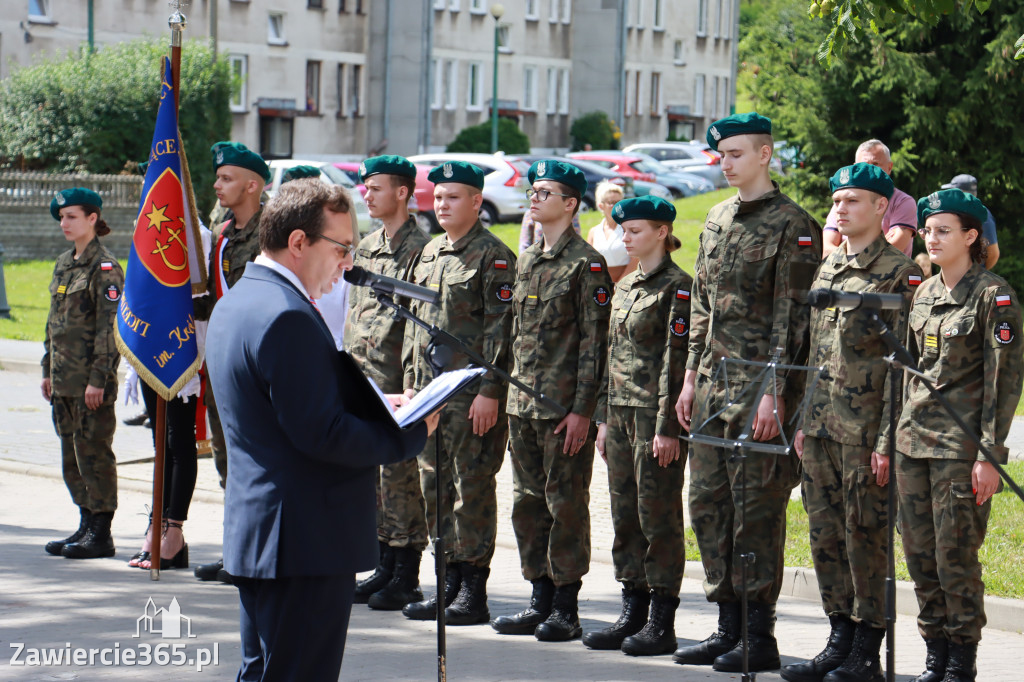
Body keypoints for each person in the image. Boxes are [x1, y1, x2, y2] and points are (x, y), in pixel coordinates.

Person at [206, 179, 438, 681]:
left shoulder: (242, 299)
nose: (347, 262)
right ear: (298, 243)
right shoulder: (287, 315)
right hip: (302, 543)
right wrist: (409, 432)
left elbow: (281, 407)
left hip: (266, 536)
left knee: (264, 672)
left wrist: (377, 402)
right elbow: (322, 434)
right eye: (341, 247)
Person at [674, 113, 822, 673]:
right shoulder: (714, 218)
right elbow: (702, 306)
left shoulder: (793, 224)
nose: (726, 163)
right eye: (722, 154)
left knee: (755, 510)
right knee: (708, 504)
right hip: (713, 386)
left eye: (737, 153)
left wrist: (775, 393)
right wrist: (690, 378)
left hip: (762, 389)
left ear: (764, 154)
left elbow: (793, 317)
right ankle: (725, 626)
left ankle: (759, 634)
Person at [781, 164, 922, 682]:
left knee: (866, 538)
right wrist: (801, 418)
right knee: (825, 537)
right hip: (819, 429)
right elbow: (815, 350)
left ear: (883, 207)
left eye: (853, 201)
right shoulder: (829, 267)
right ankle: (838, 637)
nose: (840, 208)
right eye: (837, 200)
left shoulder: (899, 274)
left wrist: (888, 440)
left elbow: (904, 368)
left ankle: (867, 645)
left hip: (866, 435)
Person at [896, 189, 1022, 682]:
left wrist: (988, 456)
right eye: (928, 230)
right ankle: (935, 653)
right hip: (913, 443)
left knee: (955, 559)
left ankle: (961, 660)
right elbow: (910, 371)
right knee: (920, 559)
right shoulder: (924, 293)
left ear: (971, 237)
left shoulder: (995, 295)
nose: (931, 237)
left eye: (943, 230)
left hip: (959, 448)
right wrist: (890, 442)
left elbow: (1003, 383)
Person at [492, 159, 613, 643]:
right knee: (526, 505)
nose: (534, 198)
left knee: (565, 506)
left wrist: (584, 410)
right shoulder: (526, 261)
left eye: (545, 192)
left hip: (564, 409)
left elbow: (594, 344)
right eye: (532, 191)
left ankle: (566, 605)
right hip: (522, 407)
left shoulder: (587, 264)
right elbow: (512, 336)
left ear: (570, 204)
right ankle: (537, 597)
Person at [400, 161, 517, 625]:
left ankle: (473, 590)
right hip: (432, 395)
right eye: (438, 197)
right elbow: (416, 327)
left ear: (475, 202)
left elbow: (502, 329)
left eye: (452, 197)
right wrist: (412, 385)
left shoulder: (495, 256)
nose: (441, 205)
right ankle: (446, 583)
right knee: (435, 488)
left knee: (471, 488)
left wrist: (490, 390)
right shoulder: (430, 253)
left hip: (472, 396)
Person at [585, 196, 691, 656]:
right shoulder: (626, 287)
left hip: (654, 418)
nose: (624, 238)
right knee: (625, 515)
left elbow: (676, 359)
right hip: (622, 416)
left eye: (634, 231)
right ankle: (632, 609)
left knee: (658, 517)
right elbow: (613, 360)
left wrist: (669, 426)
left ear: (662, 233)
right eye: (623, 231)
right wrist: (605, 420)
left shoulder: (679, 287)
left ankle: (661, 619)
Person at [343, 155, 431, 610]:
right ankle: (384, 564)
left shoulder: (422, 249)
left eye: (376, 188)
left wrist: (415, 383)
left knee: (401, 478)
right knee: (375, 478)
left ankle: (407, 572)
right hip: (366, 379)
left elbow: (419, 324)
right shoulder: (368, 246)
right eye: (366, 187)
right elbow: (355, 314)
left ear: (401, 192)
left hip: (399, 380)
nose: (367, 195)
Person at [192, 141, 270, 584]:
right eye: (217, 177)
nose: (217, 185)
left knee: (259, 462)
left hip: (259, 366)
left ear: (252, 185)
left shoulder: (274, 230)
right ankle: (235, 551)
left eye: (226, 178)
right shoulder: (221, 234)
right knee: (227, 461)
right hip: (223, 364)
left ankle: (262, 554)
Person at [123, 219, 213, 571]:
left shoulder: (197, 235)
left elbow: (199, 295)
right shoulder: (146, 225)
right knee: (160, 442)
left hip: (179, 346)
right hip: (149, 342)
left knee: (179, 441)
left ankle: (173, 531)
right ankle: (155, 524)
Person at [41, 188, 124, 559]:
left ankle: (101, 531)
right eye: (61, 217)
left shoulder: (104, 268)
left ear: (93, 218)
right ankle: (85, 522)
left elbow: (110, 330)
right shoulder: (64, 263)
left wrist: (98, 379)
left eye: (72, 216)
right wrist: (47, 369)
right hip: (62, 380)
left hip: (90, 382)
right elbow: (53, 323)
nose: (65, 223)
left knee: (94, 453)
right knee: (71, 456)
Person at [822, 140, 916, 259]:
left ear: (889, 167)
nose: (870, 171)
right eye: (863, 166)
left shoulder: (902, 202)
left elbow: (894, 249)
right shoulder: (841, 204)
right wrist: (878, 246)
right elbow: (826, 250)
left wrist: (846, 251)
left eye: (875, 164)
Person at [941, 174, 999, 269]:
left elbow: (994, 254)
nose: (949, 195)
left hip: (972, 279)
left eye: (953, 191)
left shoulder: (983, 215)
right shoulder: (953, 212)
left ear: (962, 193)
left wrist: (980, 274)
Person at [585, 180, 637, 283]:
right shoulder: (594, 232)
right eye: (612, 203)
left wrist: (620, 284)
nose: (617, 207)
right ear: (601, 206)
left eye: (619, 202)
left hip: (627, 284)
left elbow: (635, 260)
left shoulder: (630, 229)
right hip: (600, 286)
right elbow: (588, 262)